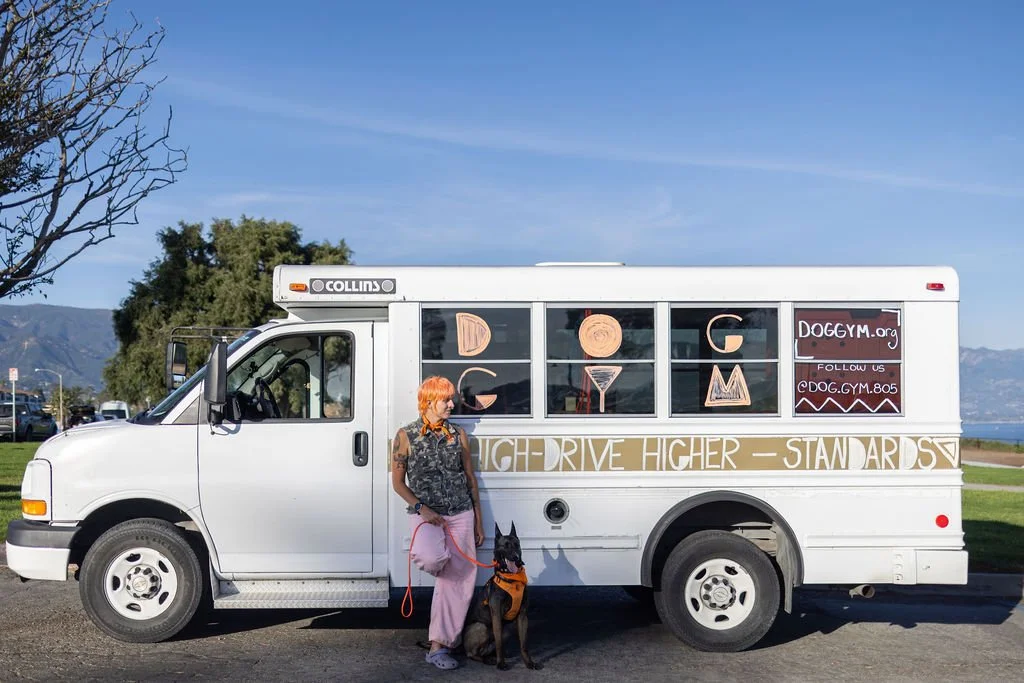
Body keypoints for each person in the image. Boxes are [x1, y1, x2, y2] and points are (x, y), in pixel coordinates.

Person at [391, 376, 485, 670]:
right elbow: (398, 483)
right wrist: (423, 508)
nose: (452, 404)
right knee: (431, 558)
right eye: (446, 400)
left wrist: (478, 520)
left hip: (461, 512)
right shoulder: (405, 436)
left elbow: (469, 478)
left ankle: (439, 646)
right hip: (426, 516)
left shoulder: (458, 435)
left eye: (451, 399)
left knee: (459, 579)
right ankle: (443, 629)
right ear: (429, 401)